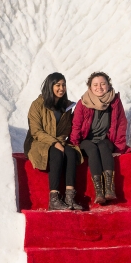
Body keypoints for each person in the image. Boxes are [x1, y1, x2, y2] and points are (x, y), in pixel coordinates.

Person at [24, 72, 82, 211]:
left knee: (71, 152)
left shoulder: (66, 107)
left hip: (58, 142)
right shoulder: (37, 104)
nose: (61, 88)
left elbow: (65, 130)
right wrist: (55, 143)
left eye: (63, 85)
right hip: (37, 142)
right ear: (50, 86)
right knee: (56, 152)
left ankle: (69, 198)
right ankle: (54, 198)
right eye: (58, 85)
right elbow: (36, 131)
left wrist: (60, 141)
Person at [71, 71, 128, 205]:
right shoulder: (83, 103)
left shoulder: (115, 102)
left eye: (103, 84)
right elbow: (76, 125)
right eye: (95, 85)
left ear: (108, 85)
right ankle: (99, 192)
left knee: (103, 146)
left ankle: (109, 188)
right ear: (90, 87)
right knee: (92, 148)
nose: (99, 87)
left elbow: (121, 123)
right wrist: (74, 145)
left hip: (105, 139)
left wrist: (119, 147)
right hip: (86, 141)